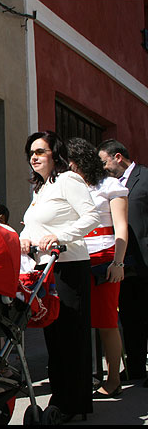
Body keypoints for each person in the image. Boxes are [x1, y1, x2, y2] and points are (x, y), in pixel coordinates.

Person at [19, 131, 99, 422]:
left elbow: (91, 216)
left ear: (55, 153)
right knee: (55, 338)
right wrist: (25, 239)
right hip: (46, 269)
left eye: (40, 151)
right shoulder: (41, 189)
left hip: (69, 267)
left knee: (71, 337)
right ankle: (60, 398)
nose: (34, 157)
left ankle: (73, 404)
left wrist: (60, 237)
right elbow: (32, 225)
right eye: (31, 153)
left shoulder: (69, 180)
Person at [67, 137, 128, 398]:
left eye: (71, 162)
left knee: (106, 322)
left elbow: (121, 226)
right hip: (76, 258)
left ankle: (114, 379)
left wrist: (118, 262)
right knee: (75, 321)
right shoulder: (70, 186)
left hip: (105, 259)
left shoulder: (110, 185)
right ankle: (81, 379)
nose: (68, 167)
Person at [97, 139, 148, 386]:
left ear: (118, 157)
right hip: (123, 264)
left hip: (145, 260)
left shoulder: (145, 177)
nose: (102, 167)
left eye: (104, 161)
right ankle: (136, 368)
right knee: (130, 317)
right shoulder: (107, 187)